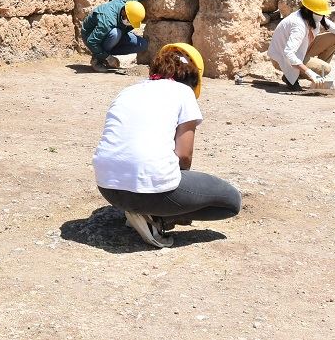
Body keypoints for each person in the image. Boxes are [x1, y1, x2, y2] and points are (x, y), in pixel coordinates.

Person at [92, 42, 242, 248]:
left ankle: (141, 211)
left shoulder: (127, 91)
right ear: (193, 78)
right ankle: (157, 217)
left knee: (154, 180)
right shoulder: (183, 92)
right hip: (150, 192)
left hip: (108, 188)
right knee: (231, 203)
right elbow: (184, 156)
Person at [267, 0, 335, 90]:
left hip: (300, 50)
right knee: (325, 68)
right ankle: (293, 77)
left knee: (333, 38)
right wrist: (309, 73)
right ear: (307, 10)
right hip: (281, 59)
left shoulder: (311, 17)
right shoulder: (298, 25)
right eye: (318, 13)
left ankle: (318, 77)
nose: (321, 16)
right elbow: (288, 53)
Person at [80, 0, 172, 72]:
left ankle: (104, 54)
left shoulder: (128, 2)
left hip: (112, 32)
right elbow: (92, 41)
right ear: (124, 12)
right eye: (130, 21)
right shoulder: (107, 21)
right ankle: (97, 60)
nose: (130, 24)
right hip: (91, 36)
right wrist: (108, 58)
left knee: (141, 45)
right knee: (115, 33)